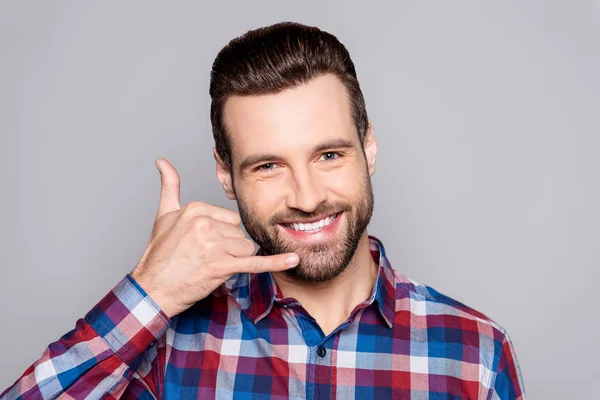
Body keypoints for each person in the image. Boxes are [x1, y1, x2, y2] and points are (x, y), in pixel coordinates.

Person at [1, 21, 525, 400]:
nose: (306, 195)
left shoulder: (475, 354)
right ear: (226, 175)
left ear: (368, 147)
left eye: (329, 154)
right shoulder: (170, 346)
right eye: (268, 166)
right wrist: (152, 290)